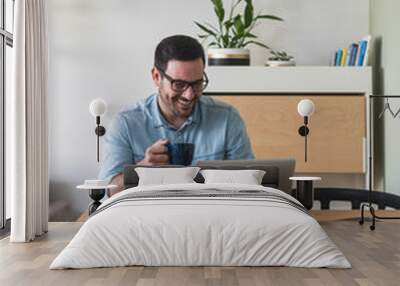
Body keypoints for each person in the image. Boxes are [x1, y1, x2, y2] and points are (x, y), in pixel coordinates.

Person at [99, 35, 254, 196]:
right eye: (179, 85)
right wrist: (143, 170)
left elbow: (251, 184)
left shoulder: (227, 119)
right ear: (156, 77)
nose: (189, 95)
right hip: (149, 216)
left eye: (197, 83)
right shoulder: (126, 123)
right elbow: (107, 191)